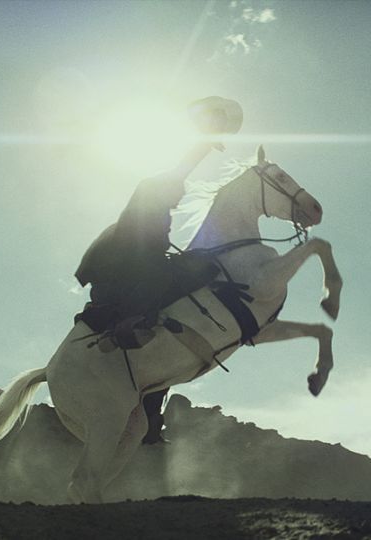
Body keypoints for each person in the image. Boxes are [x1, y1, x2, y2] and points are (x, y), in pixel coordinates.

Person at [74, 96, 242, 443]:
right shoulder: (154, 190)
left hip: (133, 262)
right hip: (126, 265)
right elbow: (182, 169)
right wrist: (206, 140)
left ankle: (151, 413)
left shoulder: (157, 203)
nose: (180, 198)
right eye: (178, 194)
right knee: (174, 277)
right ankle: (128, 326)